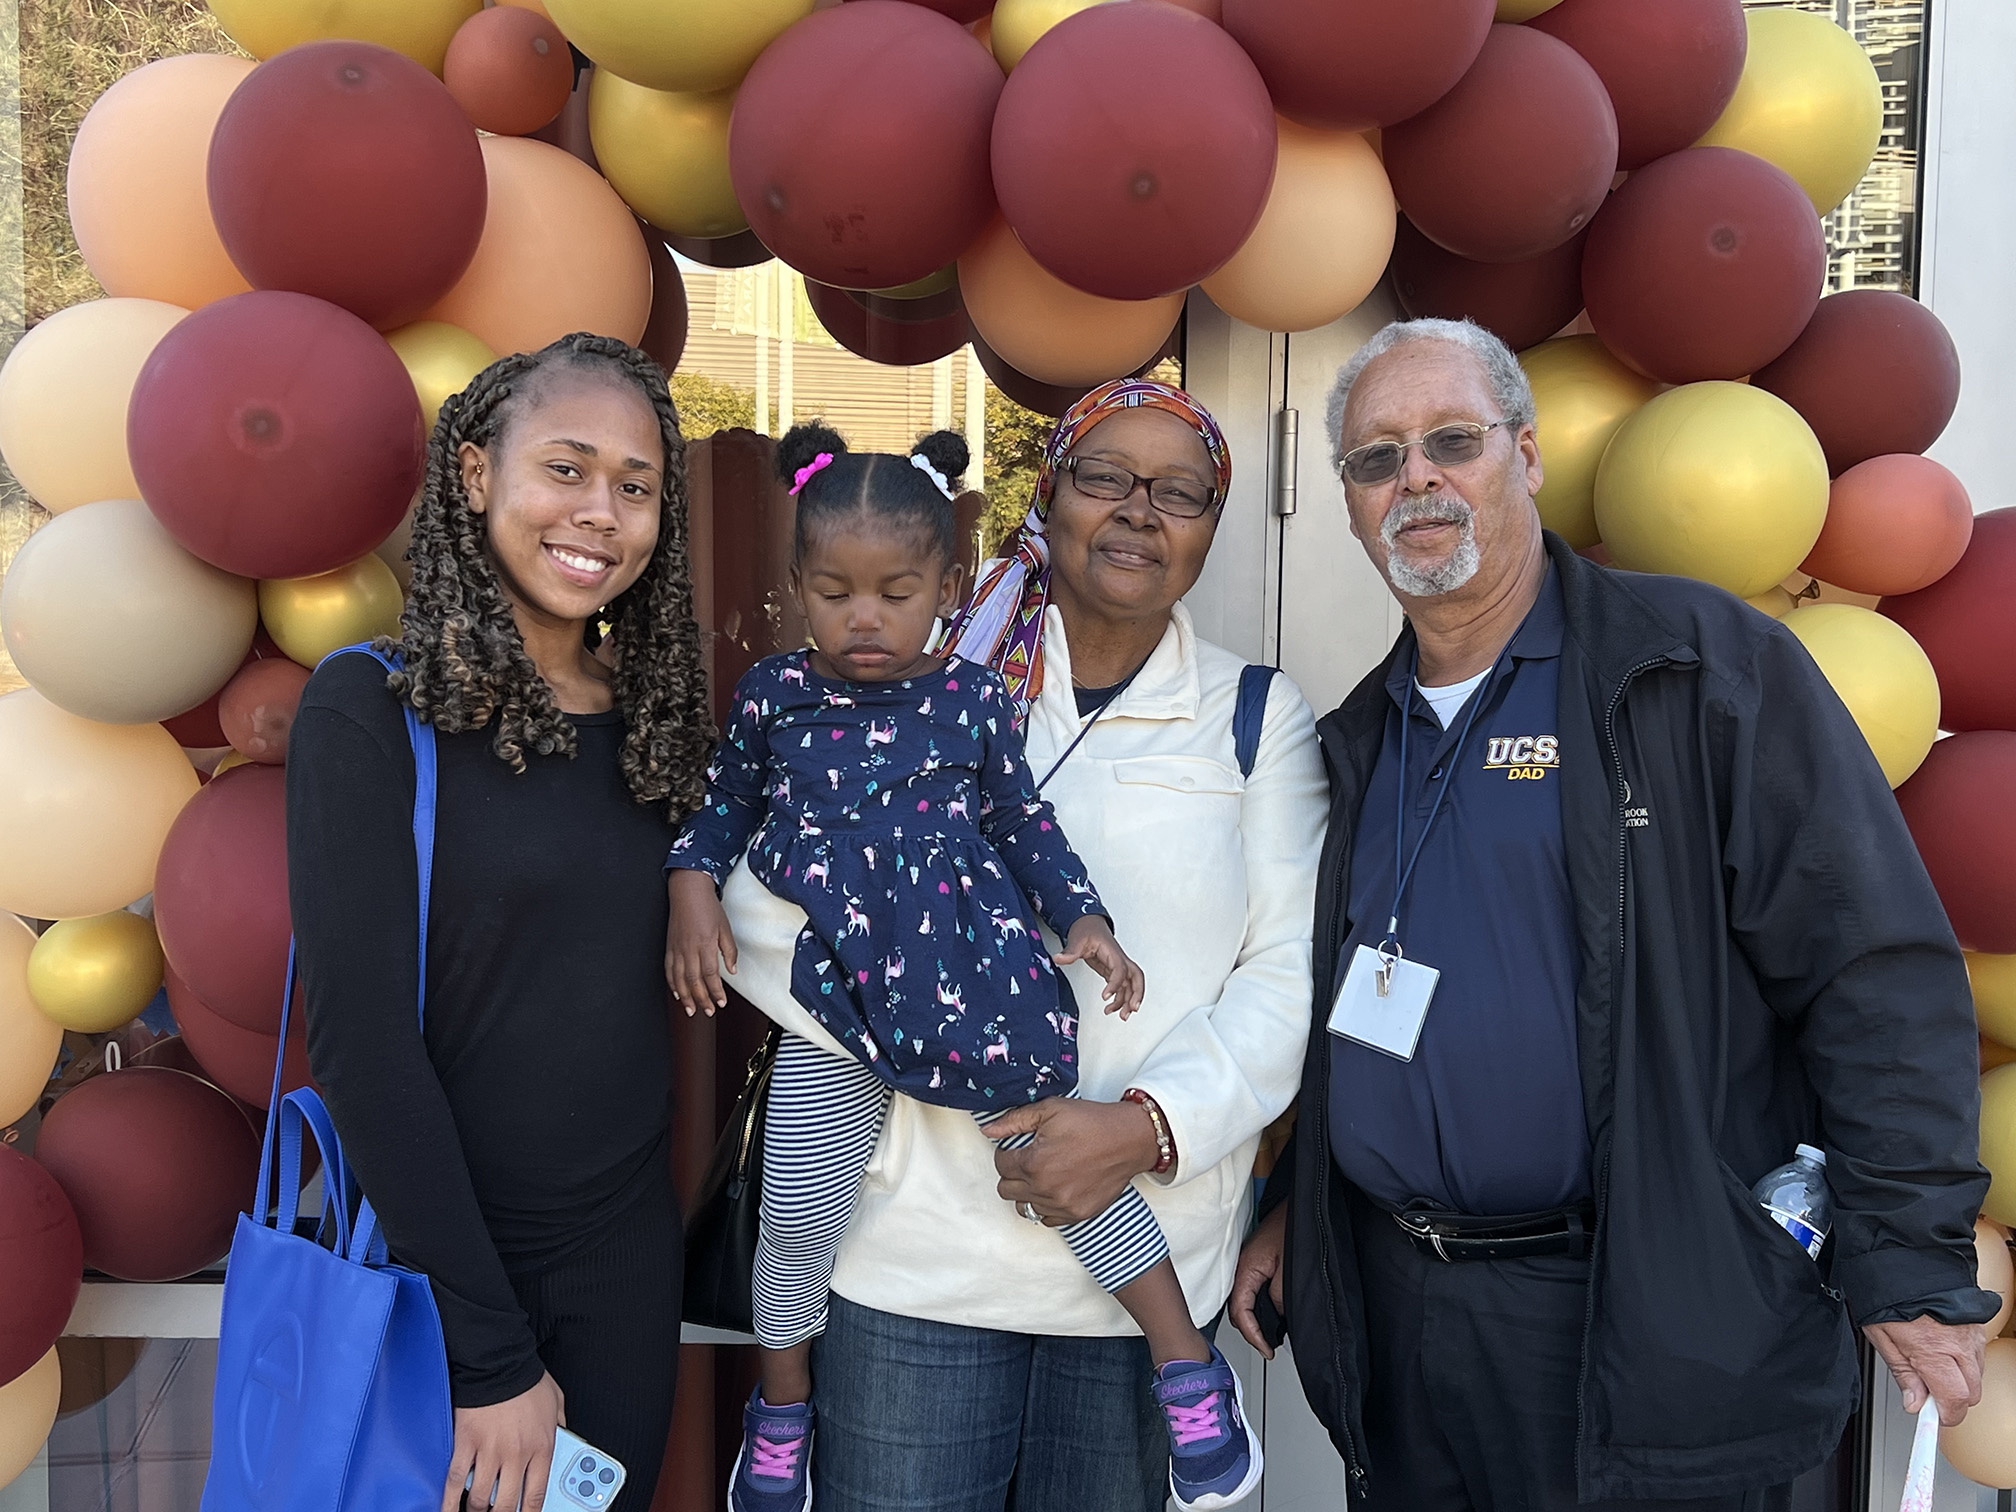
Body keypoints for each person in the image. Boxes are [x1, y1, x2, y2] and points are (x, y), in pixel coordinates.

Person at [1229, 317, 1998, 1511]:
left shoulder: (1693, 672)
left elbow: (1872, 966)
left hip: (1635, 1308)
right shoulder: (1358, 738)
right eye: (1377, 459)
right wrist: (1299, 1214)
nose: (1415, 478)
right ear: (1346, 500)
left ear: (1527, 455)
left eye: (1451, 441)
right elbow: (1351, 1008)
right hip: (1406, 1316)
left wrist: (1906, 1257)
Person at [704, 379, 1327, 1512]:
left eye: (1180, 492)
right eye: (1105, 477)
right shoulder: (915, 685)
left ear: (1210, 528)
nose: (1140, 511)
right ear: (1051, 495)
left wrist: (1145, 1129)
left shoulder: (1249, 714)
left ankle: (1194, 1387)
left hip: (1139, 1266)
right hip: (912, 1269)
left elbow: (1286, 979)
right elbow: (757, 895)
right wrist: (914, 1032)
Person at [289, 333, 713, 1512]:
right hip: (445, 1276)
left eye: (636, 486)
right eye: (566, 470)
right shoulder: (369, 708)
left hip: (622, 1265)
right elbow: (364, 1052)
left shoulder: (659, 725)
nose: (601, 513)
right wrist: (487, 1351)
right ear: (477, 476)